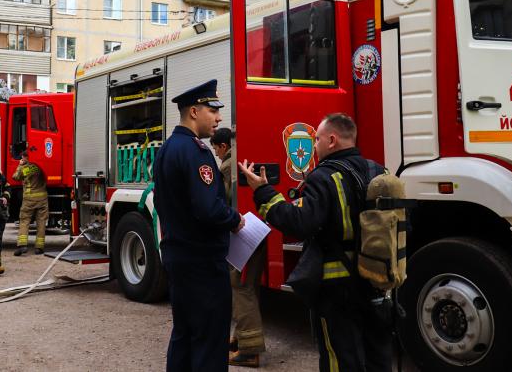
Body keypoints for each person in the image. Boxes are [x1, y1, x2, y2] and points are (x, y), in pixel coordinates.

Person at [238, 113, 391, 372]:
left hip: (337, 289)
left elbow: (298, 222)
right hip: (376, 280)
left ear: (331, 140)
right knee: (376, 356)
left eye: (317, 139)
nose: (315, 145)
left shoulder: (324, 177)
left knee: (339, 359)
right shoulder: (379, 171)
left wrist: (262, 191)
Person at [153, 79, 245, 372]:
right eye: (213, 109)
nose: (218, 117)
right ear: (194, 111)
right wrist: (235, 219)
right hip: (203, 264)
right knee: (209, 341)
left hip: (179, 259)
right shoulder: (197, 152)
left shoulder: (167, 149)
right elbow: (207, 208)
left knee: (184, 336)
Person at [211, 127, 266, 368]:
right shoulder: (239, 161)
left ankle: (249, 350)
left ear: (223, 146)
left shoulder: (225, 169)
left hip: (243, 236)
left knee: (240, 288)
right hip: (256, 233)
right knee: (248, 287)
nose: (215, 153)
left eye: (215, 148)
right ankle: (240, 339)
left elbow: (222, 205)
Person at [13, 150, 49, 256]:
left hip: (29, 200)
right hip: (42, 199)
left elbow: (15, 177)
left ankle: (22, 246)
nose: (22, 159)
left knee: (24, 221)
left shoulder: (25, 168)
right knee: (41, 223)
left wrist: (20, 165)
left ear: (25, 157)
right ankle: (39, 247)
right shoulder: (40, 166)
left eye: (23, 157)